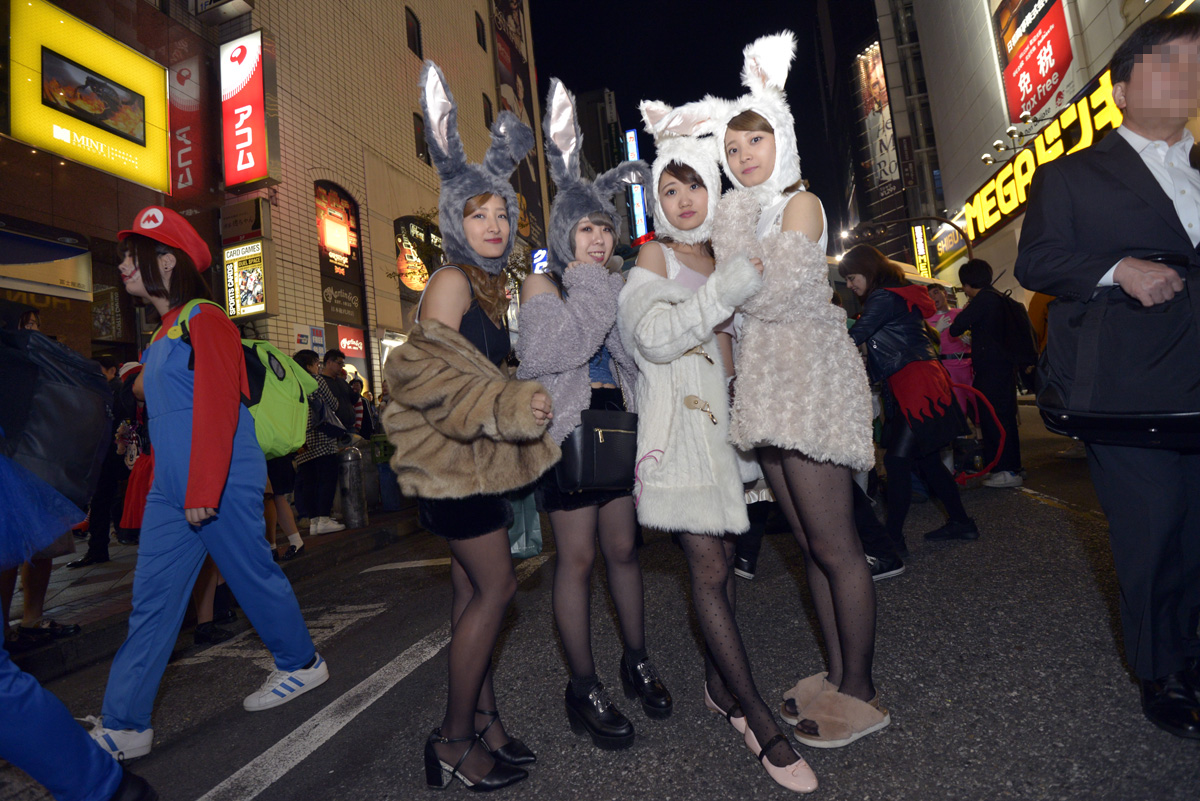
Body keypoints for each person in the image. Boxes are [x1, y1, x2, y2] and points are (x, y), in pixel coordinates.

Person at [700, 31, 888, 750]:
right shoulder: (748, 215)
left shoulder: (802, 204)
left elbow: (775, 295)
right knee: (808, 544)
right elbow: (734, 295)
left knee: (837, 545)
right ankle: (838, 672)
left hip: (806, 384)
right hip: (767, 390)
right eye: (734, 149)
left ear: (782, 139)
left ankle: (863, 688)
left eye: (756, 142)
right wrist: (733, 263)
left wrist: (731, 279)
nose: (745, 157)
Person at [85, 205, 328, 760]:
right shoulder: (167, 331)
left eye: (133, 256)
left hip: (216, 480)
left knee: (251, 574)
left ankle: (302, 664)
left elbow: (221, 404)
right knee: (150, 602)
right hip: (176, 488)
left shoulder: (206, 317)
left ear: (165, 261)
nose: (123, 266)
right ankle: (126, 725)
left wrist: (201, 488)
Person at [1014, 13, 1200, 739]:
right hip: (1131, 388)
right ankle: (1164, 672)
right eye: (1170, 62)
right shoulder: (1071, 174)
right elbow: (1037, 263)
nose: (1186, 77)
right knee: (1153, 534)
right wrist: (1118, 270)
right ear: (1123, 88)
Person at [622, 102, 816, 792]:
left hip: (732, 432)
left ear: (712, 186)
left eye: (692, 184)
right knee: (707, 568)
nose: (680, 199)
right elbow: (652, 338)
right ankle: (759, 718)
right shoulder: (656, 253)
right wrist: (726, 292)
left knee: (727, 561)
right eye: (667, 189)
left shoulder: (720, 250)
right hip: (681, 438)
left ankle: (716, 683)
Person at [389, 62, 558, 791]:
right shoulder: (453, 281)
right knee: (498, 592)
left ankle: (484, 723)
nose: (491, 225)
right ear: (455, 220)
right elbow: (429, 377)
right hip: (455, 470)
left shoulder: (490, 287)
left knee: (469, 594)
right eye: (477, 214)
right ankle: (454, 738)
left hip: (472, 465)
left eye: (500, 214)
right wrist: (513, 403)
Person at [516, 79, 670, 751]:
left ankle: (635, 660)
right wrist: (589, 283)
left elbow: (636, 354)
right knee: (576, 561)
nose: (600, 238)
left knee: (625, 552)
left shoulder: (612, 282)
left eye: (605, 226)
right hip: (569, 438)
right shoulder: (543, 283)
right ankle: (583, 686)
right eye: (587, 228)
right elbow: (555, 350)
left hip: (620, 429)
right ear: (564, 234)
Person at [840, 245, 977, 553]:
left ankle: (892, 538)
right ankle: (961, 523)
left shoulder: (883, 297)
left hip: (914, 382)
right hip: (918, 380)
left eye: (852, 277)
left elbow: (854, 335)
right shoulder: (896, 294)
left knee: (897, 460)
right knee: (927, 459)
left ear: (868, 270)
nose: (850, 285)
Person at [947, 259, 1025, 488]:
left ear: (968, 283)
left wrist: (969, 308)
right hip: (1004, 366)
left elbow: (955, 327)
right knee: (1005, 418)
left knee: (994, 419)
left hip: (990, 369)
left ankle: (1006, 471)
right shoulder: (999, 297)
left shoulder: (983, 301)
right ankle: (1012, 467)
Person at [294, 349, 345, 535]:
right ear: (309, 366)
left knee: (308, 482)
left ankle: (314, 522)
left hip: (301, 439)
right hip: (322, 437)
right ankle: (324, 518)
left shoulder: (291, 383)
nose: (318, 367)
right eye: (316, 364)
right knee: (327, 478)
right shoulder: (316, 380)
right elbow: (333, 404)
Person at [925, 285, 975, 420]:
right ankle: (961, 439)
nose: (933, 297)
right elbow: (926, 348)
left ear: (945, 294)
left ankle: (982, 437)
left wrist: (971, 340)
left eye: (936, 292)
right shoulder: (926, 321)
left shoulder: (960, 314)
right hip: (948, 367)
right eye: (929, 295)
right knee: (960, 407)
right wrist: (936, 331)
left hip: (970, 364)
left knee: (979, 405)